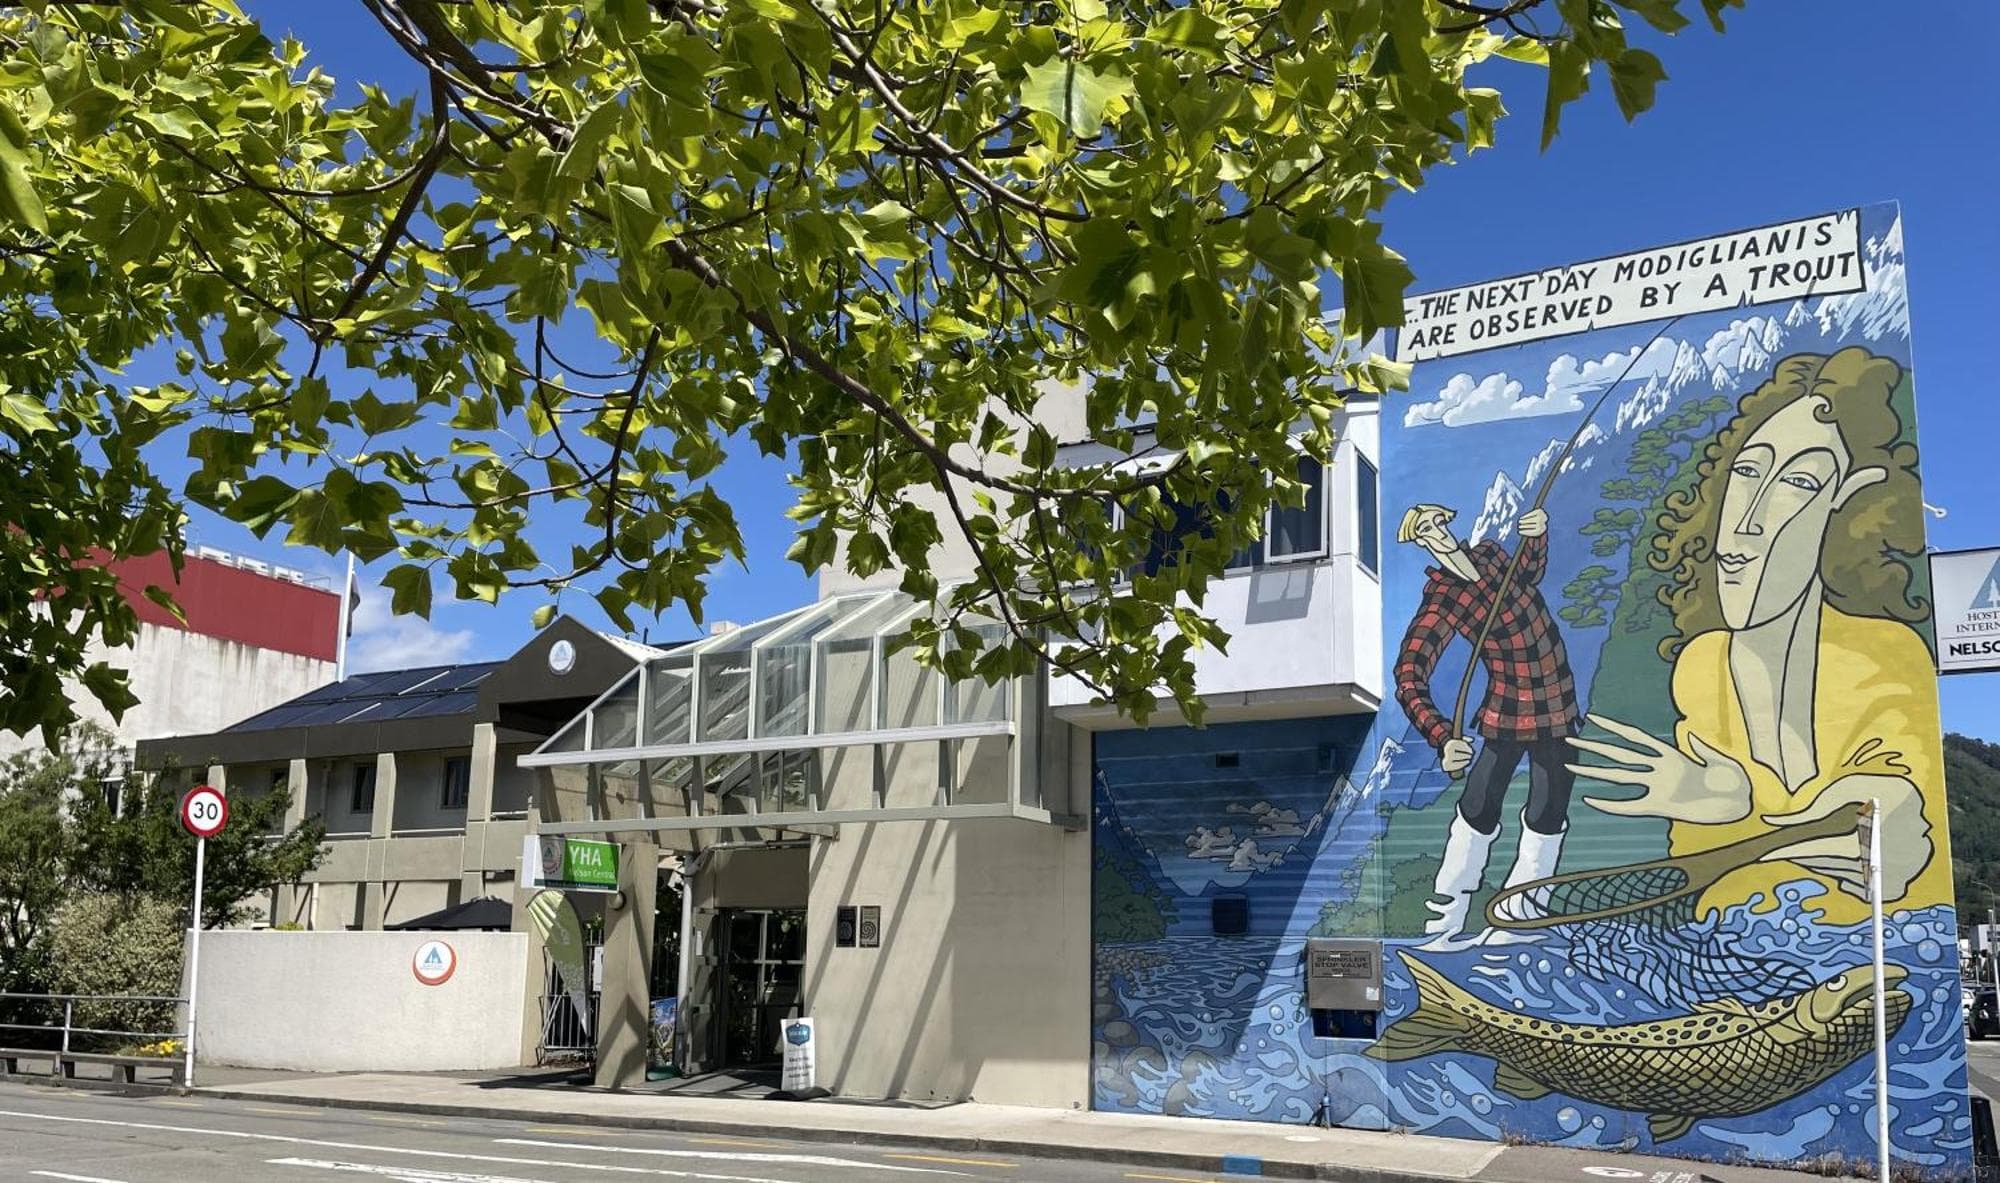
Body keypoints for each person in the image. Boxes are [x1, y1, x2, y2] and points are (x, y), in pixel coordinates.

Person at [1565, 347, 1944, 922]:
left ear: (1847, 496)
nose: (1747, 522)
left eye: (1798, 481)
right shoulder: (1703, 663)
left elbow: (1901, 781)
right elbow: (1705, 875)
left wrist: (1895, 810)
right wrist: (1726, 803)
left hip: (1874, 948)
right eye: (1747, 472)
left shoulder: (1886, 653)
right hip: (1727, 947)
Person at [1395, 502, 1580, 948]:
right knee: (1478, 807)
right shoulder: (1442, 599)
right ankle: (1444, 922)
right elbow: (1409, 675)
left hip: (1559, 703)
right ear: (1420, 541)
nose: (1438, 531)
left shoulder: (1491, 555)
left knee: (1549, 811)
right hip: (1507, 710)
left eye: (1440, 521)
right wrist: (1443, 738)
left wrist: (1536, 535)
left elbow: (1529, 573)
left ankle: (1521, 918)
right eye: (1426, 529)